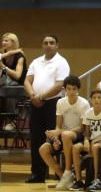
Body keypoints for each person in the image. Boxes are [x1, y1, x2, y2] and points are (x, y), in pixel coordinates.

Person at [23, 35, 70, 183]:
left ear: (57, 45)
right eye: (45, 43)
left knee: (54, 139)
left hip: (53, 104)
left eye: (51, 43)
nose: (48, 45)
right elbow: (27, 80)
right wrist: (32, 95)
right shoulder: (36, 62)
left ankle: (58, 173)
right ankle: (38, 174)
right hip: (35, 103)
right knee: (36, 138)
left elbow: (60, 84)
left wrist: (41, 97)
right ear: (42, 45)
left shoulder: (61, 62)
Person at [39, 75, 89, 190]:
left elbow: (82, 127)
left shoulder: (84, 103)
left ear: (78, 89)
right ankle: (64, 178)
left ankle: (67, 170)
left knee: (66, 135)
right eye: (69, 89)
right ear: (65, 89)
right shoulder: (60, 102)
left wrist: (61, 132)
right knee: (43, 149)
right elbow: (58, 126)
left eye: (74, 89)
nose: (71, 92)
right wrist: (56, 138)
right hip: (64, 134)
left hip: (78, 135)